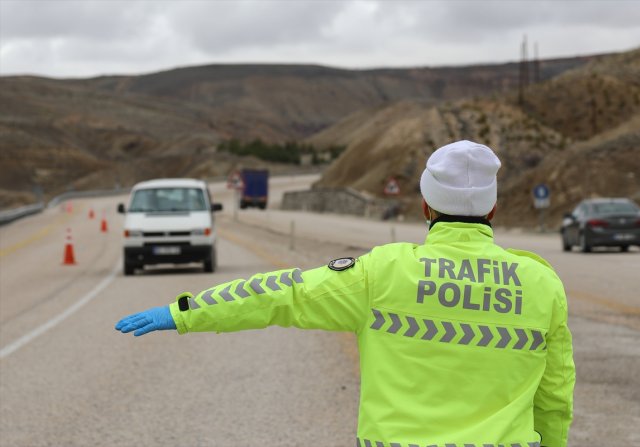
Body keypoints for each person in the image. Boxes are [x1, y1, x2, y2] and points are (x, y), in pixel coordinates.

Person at [116, 140, 575, 447]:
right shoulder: (541, 284)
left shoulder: (383, 272)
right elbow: (555, 397)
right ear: (494, 206)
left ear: (426, 205)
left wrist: (187, 311)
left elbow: (282, 293)